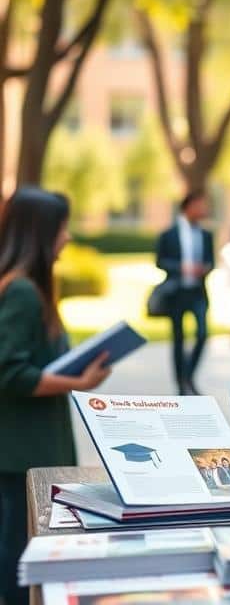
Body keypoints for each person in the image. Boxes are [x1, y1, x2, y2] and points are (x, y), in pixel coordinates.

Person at [0, 188, 111, 605]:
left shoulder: (29, 290)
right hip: (20, 453)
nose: (66, 238)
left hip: (31, 446)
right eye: (62, 228)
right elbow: (10, 373)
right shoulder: (23, 293)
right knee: (18, 558)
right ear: (42, 233)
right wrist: (78, 382)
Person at [156, 191, 215, 395]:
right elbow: (160, 261)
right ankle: (180, 383)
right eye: (199, 205)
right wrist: (181, 268)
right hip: (176, 293)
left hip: (198, 292)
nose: (203, 210)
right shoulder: (169, 234)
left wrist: (204, 268)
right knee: (178, 339)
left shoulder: (206, 235)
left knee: (202, 334)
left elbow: (211, 262)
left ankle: (189, 375)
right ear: (188, 207)